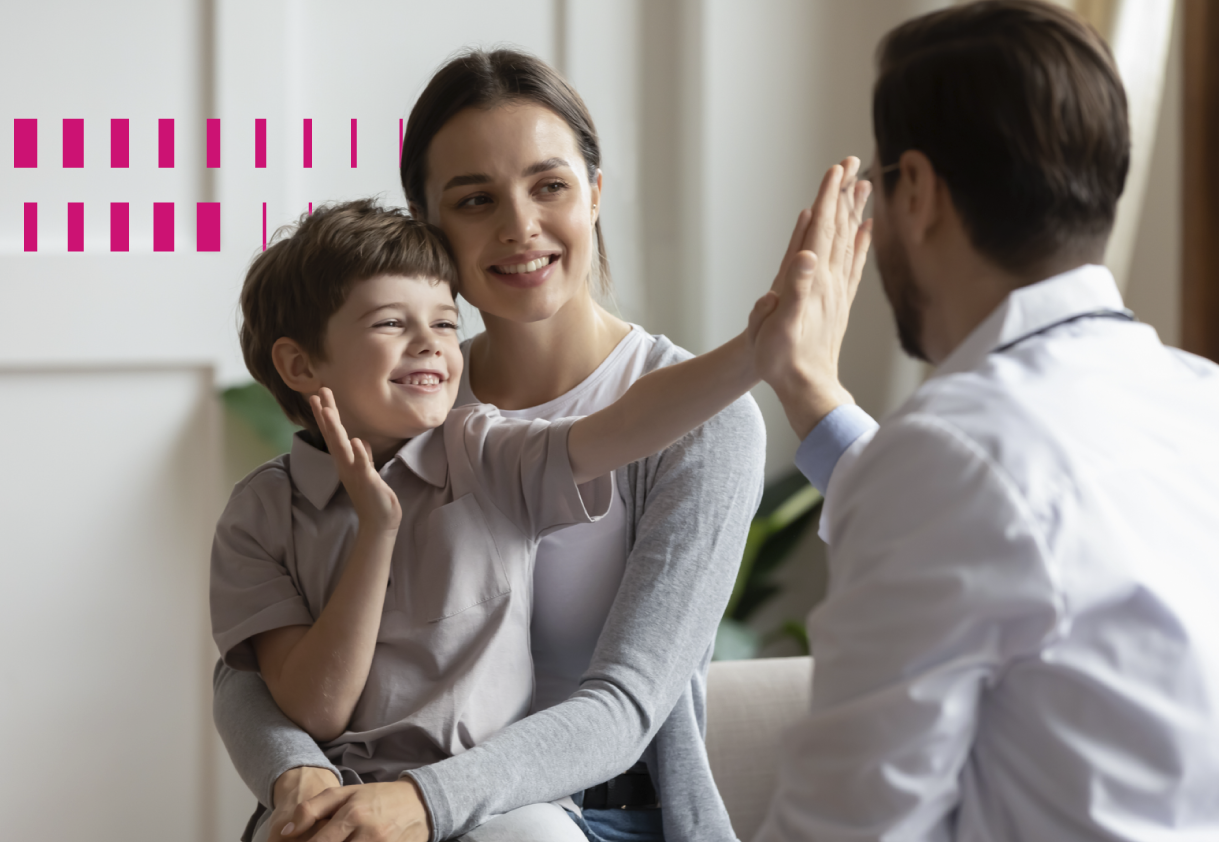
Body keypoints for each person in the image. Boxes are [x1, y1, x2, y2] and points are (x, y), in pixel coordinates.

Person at [211, 48, 871, 842]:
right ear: (429, 227)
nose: (519, 226)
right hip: (378, 804)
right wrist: (300, 777)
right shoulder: (403, 399)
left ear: (594, 194)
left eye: (549, 185)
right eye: (475, 199)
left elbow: (626, 702)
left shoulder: (697, 421)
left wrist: (425, 802)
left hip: (597, 814)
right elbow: (257, 667)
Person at [749, 1, 1219, 839]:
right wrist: (810, 390)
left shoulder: (950, 455)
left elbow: (843, 829)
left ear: (920, 191)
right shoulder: (1198, 396)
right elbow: (1009, 534)